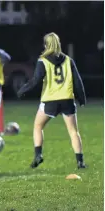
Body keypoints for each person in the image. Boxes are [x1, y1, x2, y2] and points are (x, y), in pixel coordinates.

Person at [17, 32, 86, 169]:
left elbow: (35, 80)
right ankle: (80, 162)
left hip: (50, 101)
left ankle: (38, 155)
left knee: (37, 126)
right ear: (58, 43)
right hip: (67, 100)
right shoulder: (68, 60)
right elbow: (77, 81)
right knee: (73, 131)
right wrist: (81, 98)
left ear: (46, 44)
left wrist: (22, 90)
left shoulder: (43, 61)